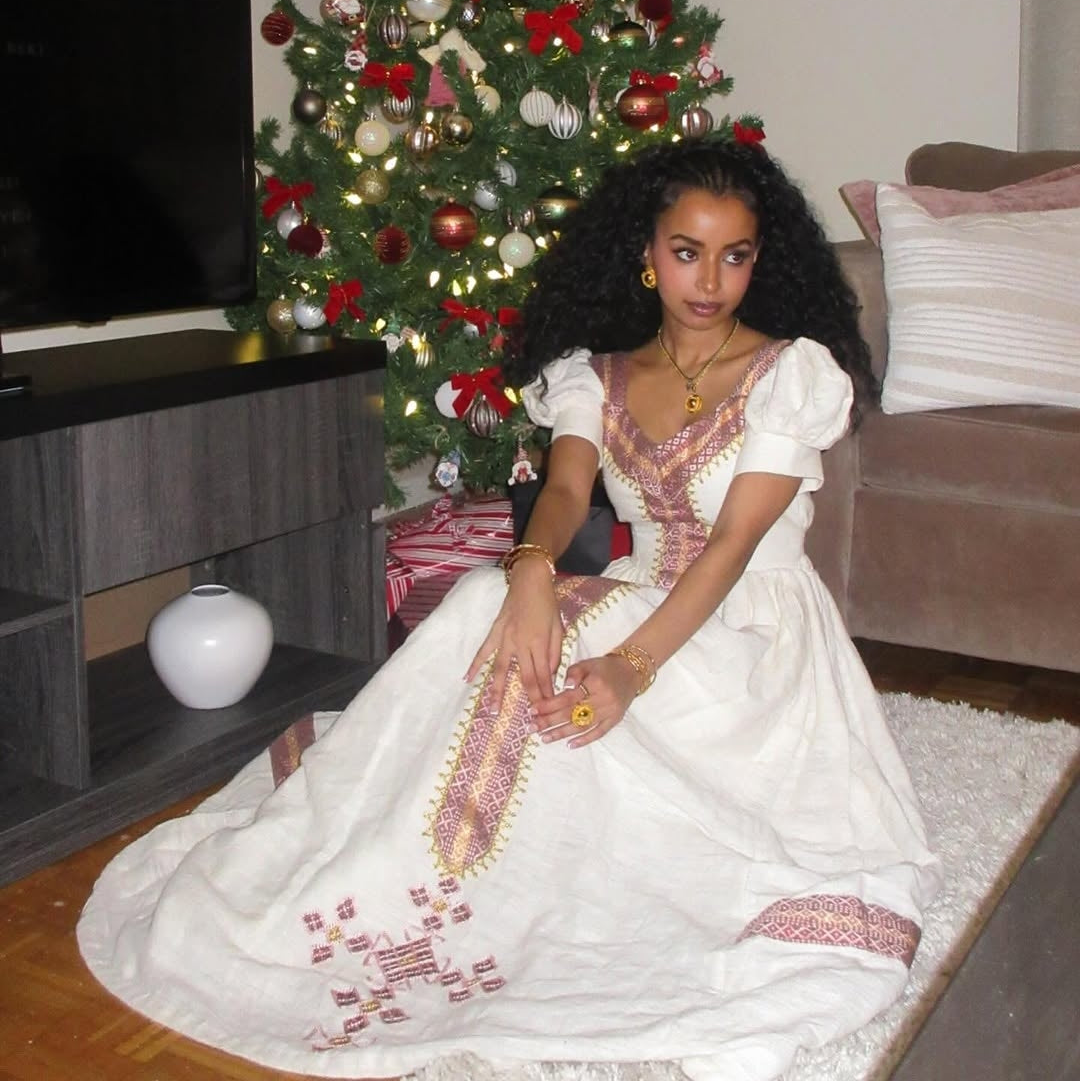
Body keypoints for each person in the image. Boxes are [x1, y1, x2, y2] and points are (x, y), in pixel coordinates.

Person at [77, 136, 940, 1081]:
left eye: (735, 256)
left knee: (580, 635)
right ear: (645, 256)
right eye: (687, 252)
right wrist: (531, 569)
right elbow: (566, 494)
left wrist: (629, 668)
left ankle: (498, 852)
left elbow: (732, 548)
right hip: (632, 604)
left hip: (753, 642)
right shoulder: (595, 375)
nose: (710, 281)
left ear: (758, 261)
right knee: (500, 593)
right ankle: (419, 869)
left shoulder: (792, 372)